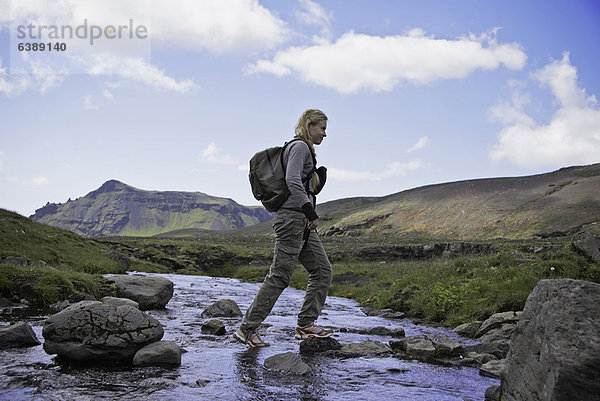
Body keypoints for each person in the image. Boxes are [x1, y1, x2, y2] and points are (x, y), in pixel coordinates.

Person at [234, 109, 333, 348]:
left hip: (301, 221)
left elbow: (300, 182)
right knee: (279, 276)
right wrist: (309, 209)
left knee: (322, 270)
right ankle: (247, 328)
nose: (325, 134)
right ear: (309, 126)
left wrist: (316, 182)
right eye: (322, 128)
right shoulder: (299, 147)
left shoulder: (302, 149)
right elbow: (292, 180)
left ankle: (306, 324)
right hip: (293, 220)